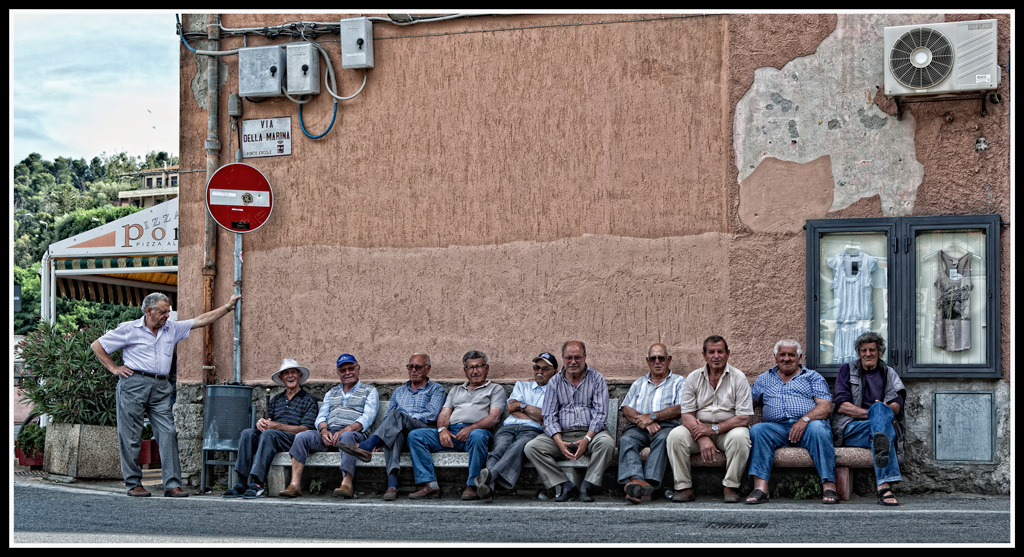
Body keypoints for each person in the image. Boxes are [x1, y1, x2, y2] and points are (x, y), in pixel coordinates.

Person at [92, 291, 241, 498]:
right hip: (134, 383)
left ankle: (172, 484)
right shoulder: (129, 329)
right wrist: (114, 368)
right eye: (163, 312)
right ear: (149, 310)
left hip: (161, 386)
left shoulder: (172, 328)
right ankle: (133, 483)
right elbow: (97, 345)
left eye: (168, 312)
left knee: (168, 433)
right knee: (131, 436)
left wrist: (227, 307)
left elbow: (200, 320)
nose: (167, 316)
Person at [337, 353, 446, 501]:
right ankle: (392, 486)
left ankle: (367, 446)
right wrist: (388, 432)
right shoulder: (399, 391)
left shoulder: (435, 389)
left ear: (428, 369)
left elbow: (432, 415)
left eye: (418, 367)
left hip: (423, 433)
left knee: (397, 417)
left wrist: (405, 417)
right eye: (410, 367)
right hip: (399, 433)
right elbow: (388, 417)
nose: (413, 370)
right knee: (395, 430)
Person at [745, 339, 839, 505]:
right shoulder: (764, 379)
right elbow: (746, 404)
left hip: (808, 426)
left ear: (799, 357)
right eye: (782, 355)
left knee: (819, 428)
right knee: (758, 430)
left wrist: (804, 420)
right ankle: (761, 488)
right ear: (775, 357)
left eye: (791, 355)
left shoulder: (812, 377)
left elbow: (825, 406)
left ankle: (829, 485)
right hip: (776, 429)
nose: (786, 358)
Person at [406, 350, 507, 500]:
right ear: (465, 371)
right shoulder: (455, 390)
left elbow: (494, 417)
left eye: (478, 366)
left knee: (478, 436)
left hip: (477, 433)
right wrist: (442, 430)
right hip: (452, 433)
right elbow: (444, 414)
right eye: (470, 368)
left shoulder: (495, 389)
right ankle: (430, 485)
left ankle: (473, 485)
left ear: (487, 368)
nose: (475, 371)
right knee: (416, 436)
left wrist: (471, 428)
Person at [277, 354, 379, 499]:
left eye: (351, 368)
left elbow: (367, 418)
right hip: (329, 434)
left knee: (347, 436)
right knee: (302, 436)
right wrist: (323, 431)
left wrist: (344, 430)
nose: (347, 373)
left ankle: (347, 483)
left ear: (358, 369)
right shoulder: (331, 392)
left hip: (353, 434)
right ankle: (295, 484)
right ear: (338, 373)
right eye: (343, 370)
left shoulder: (370, 391)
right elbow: (321, 417)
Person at [524, 340, 614, 502]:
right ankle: (565, 485)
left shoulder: (597, 379)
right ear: (563, 358)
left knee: (607, 444)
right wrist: (558, 441)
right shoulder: (554, 382)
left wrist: (587, 439)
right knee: (532, 447)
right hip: (562, 435)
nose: (573, 362)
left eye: (578, 357)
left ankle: (587, 485)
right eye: (569, 357)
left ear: (585, 357)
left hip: (591, 433)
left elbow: (601, 414)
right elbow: (549, 415)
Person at [666, 335, 753, 503]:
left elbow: (744, 418)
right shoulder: (693, 378)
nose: (716, 356)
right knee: (675, 436)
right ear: (704, 355)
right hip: (698, 430)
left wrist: (714, 429)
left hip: (728, 431)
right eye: (711, 352)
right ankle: (684, 487)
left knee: (741, 437)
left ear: (728, 354)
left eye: (720, 351)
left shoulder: (739, 378)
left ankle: (731, 487)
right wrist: (703, 436)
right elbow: (687, 415)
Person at [222, 358, 318, 499]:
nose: (290, 376)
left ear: (300, 376)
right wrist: (260, 423)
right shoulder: (276, 399)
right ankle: (241, 482)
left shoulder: (309, 400)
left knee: (269, 434)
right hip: (272, 437)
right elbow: (268, 421)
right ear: (281, 378)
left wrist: (277, 426)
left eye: (293, 372)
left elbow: (306, 429)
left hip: (293, 439)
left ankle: (258, 484)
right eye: (286, 373)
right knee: (247, 433)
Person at [832, 332, 906, 506]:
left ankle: (884, 486)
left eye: (872, 350)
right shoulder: (847, 370)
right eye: (863, 350)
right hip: (851, 428)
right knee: (880, 416)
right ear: (858, 353)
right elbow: (842, 405)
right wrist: (877, 414)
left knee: (880, 430)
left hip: (875, 431)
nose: (867, 354)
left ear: (880, 353)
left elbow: (897, 404)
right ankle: (884, 486)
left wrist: (884, 411)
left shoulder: (889, 373)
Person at [474, 352, 559, 503]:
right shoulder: (522, 385)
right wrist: (531, 412)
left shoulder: (557, 392)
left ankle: (489, 480)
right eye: (536, 367)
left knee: (519, 446)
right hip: (510, 427)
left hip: (533, 431)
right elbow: (511, 407)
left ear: (555, 372)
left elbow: (547, 417)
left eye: (545, 369)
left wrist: (522, 408)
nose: (539, 372)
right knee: (499, 448)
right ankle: (488, 487)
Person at [617, 343, 686, 504]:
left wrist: (654, 416)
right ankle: (637, 481)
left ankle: (648, 483)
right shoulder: (639, 383)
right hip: (639, 427)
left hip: (667, 426)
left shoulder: (679, 382)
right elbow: (627, 409)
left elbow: (680, 408)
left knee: (663, 439)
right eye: (653, 358)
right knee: (626, 440)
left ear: (669, 360)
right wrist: (646, 422)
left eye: (661, 358)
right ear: (647, 361)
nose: (657, 362)